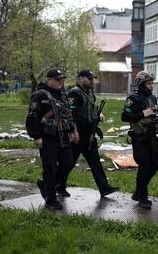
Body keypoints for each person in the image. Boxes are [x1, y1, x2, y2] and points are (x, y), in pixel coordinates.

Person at [57, 69, 119, 198]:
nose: (92, 81)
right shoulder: (75, 93)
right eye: (89, 78)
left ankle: (104, 188)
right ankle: (57, 185)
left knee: (95, 162)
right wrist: (73, 132)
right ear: (80, 78)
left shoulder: (89, 92)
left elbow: (91, 108)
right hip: (78, 134)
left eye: (92, 79)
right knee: (69, 163)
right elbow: (70, 114)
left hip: (89, 134)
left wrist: (99, 114)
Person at [26, 69, 78, 210]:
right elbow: (32, 116)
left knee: (68, 163)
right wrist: (36, 136)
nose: (60, 81)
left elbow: (68, 114)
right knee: (50, 168)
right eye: (57, 79)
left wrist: (73, 130)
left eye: (61, 79)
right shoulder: (39, 95)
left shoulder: (63, 94)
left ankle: (46, 185)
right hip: (48, 138)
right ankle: (50, 198)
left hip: (63, 136)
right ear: (49, 80)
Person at [121, 71, 158, 209]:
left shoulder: (153, 98)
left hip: (152, 137)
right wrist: (141, 114)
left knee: (155, 164)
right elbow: (125, 116)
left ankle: (138, 192)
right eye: (149, 83)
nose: (151, 86)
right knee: (144, 167)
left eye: (152, 83)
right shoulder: (134, 98)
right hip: (139, 137)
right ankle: (143, 198)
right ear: (142, 84)